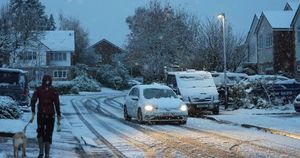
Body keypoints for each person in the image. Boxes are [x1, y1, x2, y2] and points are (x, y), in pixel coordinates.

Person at [30, 75, 61, 158]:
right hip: (49, 114)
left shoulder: (39, 89)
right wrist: (58, 114)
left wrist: (33, 110)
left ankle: (42, 153)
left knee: (41, 132)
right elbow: (57, 103)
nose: (47, 82)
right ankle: (45, 153)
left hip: (43, 114)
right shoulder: (53, 90)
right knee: (47, 133)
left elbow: (33, 100)